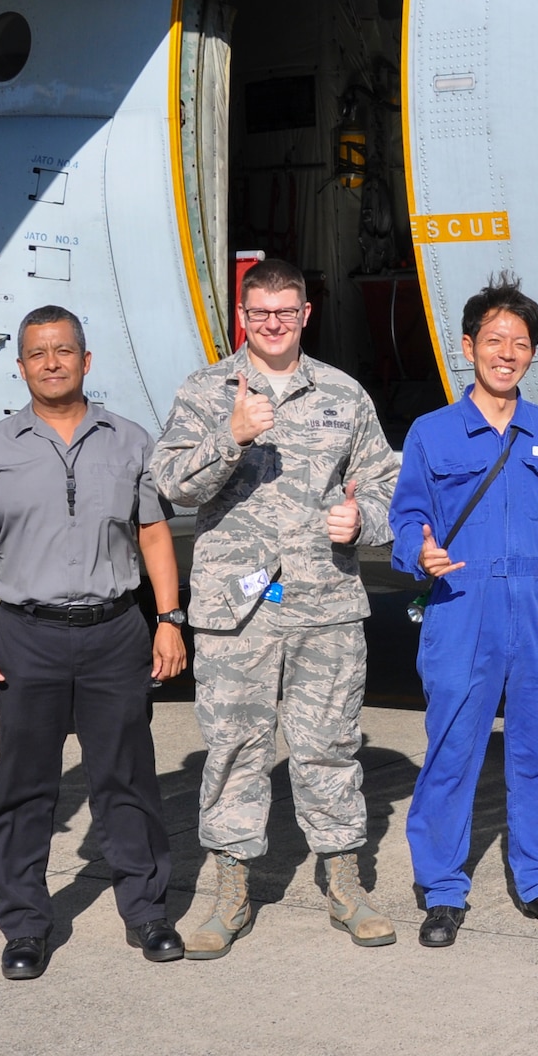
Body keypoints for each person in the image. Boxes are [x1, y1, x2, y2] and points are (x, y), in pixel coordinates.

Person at [151, 258, 400, 956]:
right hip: (240, 607)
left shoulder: (344, 395)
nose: (271, 324)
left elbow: (386, 482)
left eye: (284, 313)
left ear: (304, 315)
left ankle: (345, 883)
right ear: (243, 315)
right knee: (234, 747)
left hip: (325, 601)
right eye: (259, 313)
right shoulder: (207, 390)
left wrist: (366, 521)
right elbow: (170, 482)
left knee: (329, 746)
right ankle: (230, 891)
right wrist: (230, 434)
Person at [0, 306, 190, 980]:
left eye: (63, 350)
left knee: (127, 781)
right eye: (37, 353)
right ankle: (24, 926)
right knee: (25, 787)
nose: (50, 362)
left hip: (117, 633)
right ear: (21, 366)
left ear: (86, 362)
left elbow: (152, 536)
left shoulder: (130, 440)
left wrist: (169, 619)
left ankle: (147, 912)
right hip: (28, 636)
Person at [388, 275, 538, 947]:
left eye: (521, 343)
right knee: (451, 752)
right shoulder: (432, 431)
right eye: (494, 340)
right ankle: (442, 890)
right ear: (468, 345)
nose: (507, 353)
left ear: (532, 354)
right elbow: (409, 514)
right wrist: (420, 554)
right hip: (461, 606)